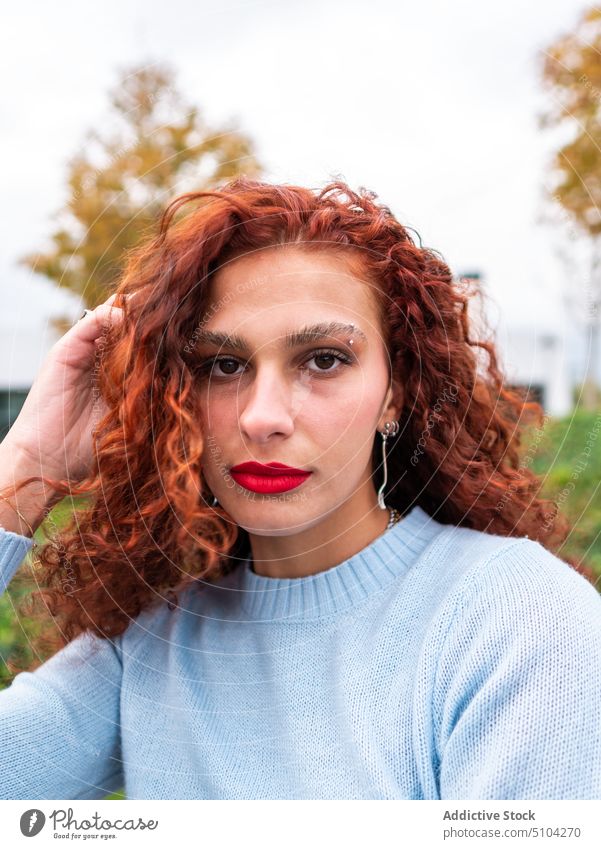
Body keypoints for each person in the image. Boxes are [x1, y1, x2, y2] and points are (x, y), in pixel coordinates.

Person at [0, 178, 600, 801]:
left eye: (323, 360)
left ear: (394, 392)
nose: (263, 417)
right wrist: (25, 465)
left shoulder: (518, 621)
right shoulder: (151, 647)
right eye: (222, 365)